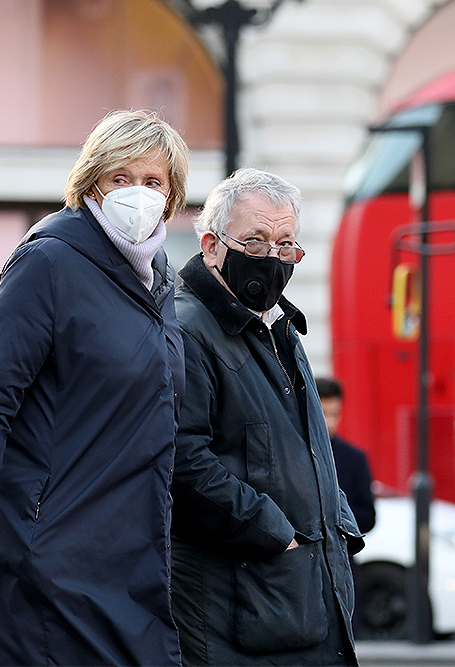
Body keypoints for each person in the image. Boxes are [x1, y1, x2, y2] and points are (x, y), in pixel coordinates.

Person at [0, 110, 188, 666]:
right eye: (121, 178)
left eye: (153, 181)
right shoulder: (48, 261)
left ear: (171, 196)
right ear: (92, 181)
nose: (137, 194)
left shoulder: (160, 279)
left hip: (133, 548)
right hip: (51, 552)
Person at [171, 167, 364, 666]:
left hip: (294, 598)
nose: (272, 258)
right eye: (255, 242)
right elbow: (181, 460)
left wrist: (336, 522)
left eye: (285, 245)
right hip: (239, 608)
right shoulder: (188, 329)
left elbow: (302, 448)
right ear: (212, 245)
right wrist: (278, 533)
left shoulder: (278, 326)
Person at [315, 376, 376, 637]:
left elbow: (368, 515)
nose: (329, 421)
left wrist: (338, 523)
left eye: (335, 413)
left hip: (342, 561)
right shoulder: (290, 451)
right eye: (323, 413)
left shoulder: (354, 458)